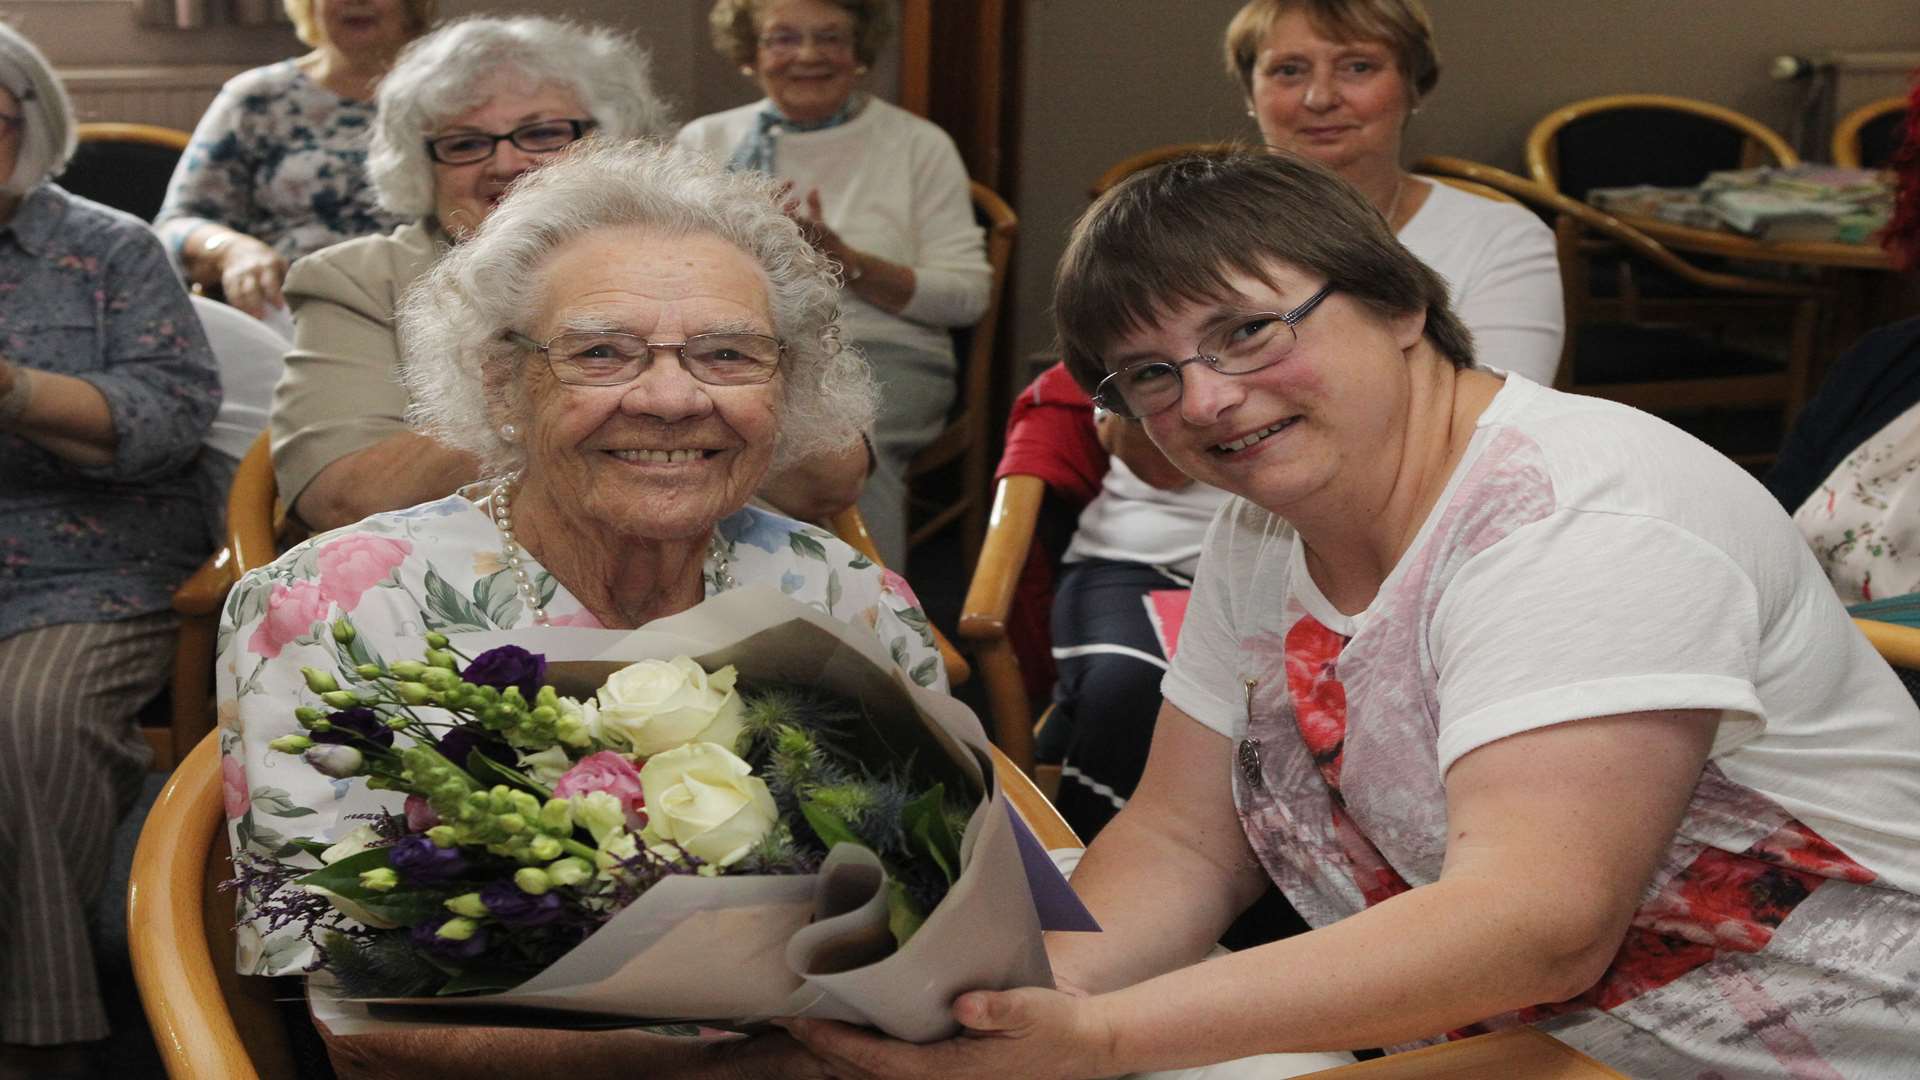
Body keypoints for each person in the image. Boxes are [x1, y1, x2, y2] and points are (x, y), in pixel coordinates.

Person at [783, 150, 1920, 1079]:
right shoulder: (1268, 525)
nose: (1208, 399)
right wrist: (1013, 1003)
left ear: (1403, 304)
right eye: (1150, 374)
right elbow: (1184, 840)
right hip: (1559, 1036)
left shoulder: (1580, 517)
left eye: (1245, 330)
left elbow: (1540, 923)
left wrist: (1105, 1038)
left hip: (1806, 1042)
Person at [220, 139, 941, 1079]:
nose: (674, 398)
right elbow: (361, 1020)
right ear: (502, 384)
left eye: (728, 354)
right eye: (601, 353)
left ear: (789, 383)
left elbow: (939, 911)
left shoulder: (848, 597)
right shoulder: (329, 608)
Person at [1043, 0, 1564, 838]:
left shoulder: (1498, 238)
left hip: (1395, 561)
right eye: (1288, 70)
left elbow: (1464, 451)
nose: (1321, 96)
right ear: (1250, 93)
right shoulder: (1162, 232)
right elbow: (1153, 459)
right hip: (1182, 555)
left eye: (1356, 66)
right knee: (1140, 713)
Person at [0, 25, 219, 1077]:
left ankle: (39, 1041)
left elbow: (173, 416)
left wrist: (14, 388)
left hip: (87, 563)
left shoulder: (107, 248)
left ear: (29, 126)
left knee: (26, 720)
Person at [270, 15, 669, 533]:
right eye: (464, 144)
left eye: (543, 133)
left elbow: (810, 486)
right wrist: (581, 403)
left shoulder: (699, 265)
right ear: (421, 167)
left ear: (615, 141)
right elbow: (345, 496)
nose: (506, 162)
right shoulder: (360, 280)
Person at [677, 0, 991, 568]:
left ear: (860, 51)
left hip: (886, 351)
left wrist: (844, 261)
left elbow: (967, 296)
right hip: (735, 346)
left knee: (839, 443)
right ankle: (719, 609)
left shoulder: (919, 144)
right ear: (752, 52)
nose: (807, 56)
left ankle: (876, 634)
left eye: (830, 38)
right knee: (690, 423)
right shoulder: (706, 140)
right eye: (783, 39)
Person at [154, 0, 435, 319]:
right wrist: (231, 248)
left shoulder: (452, 94)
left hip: (426, 307)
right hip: (290, 309)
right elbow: (176, 223)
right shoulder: (258, 97)